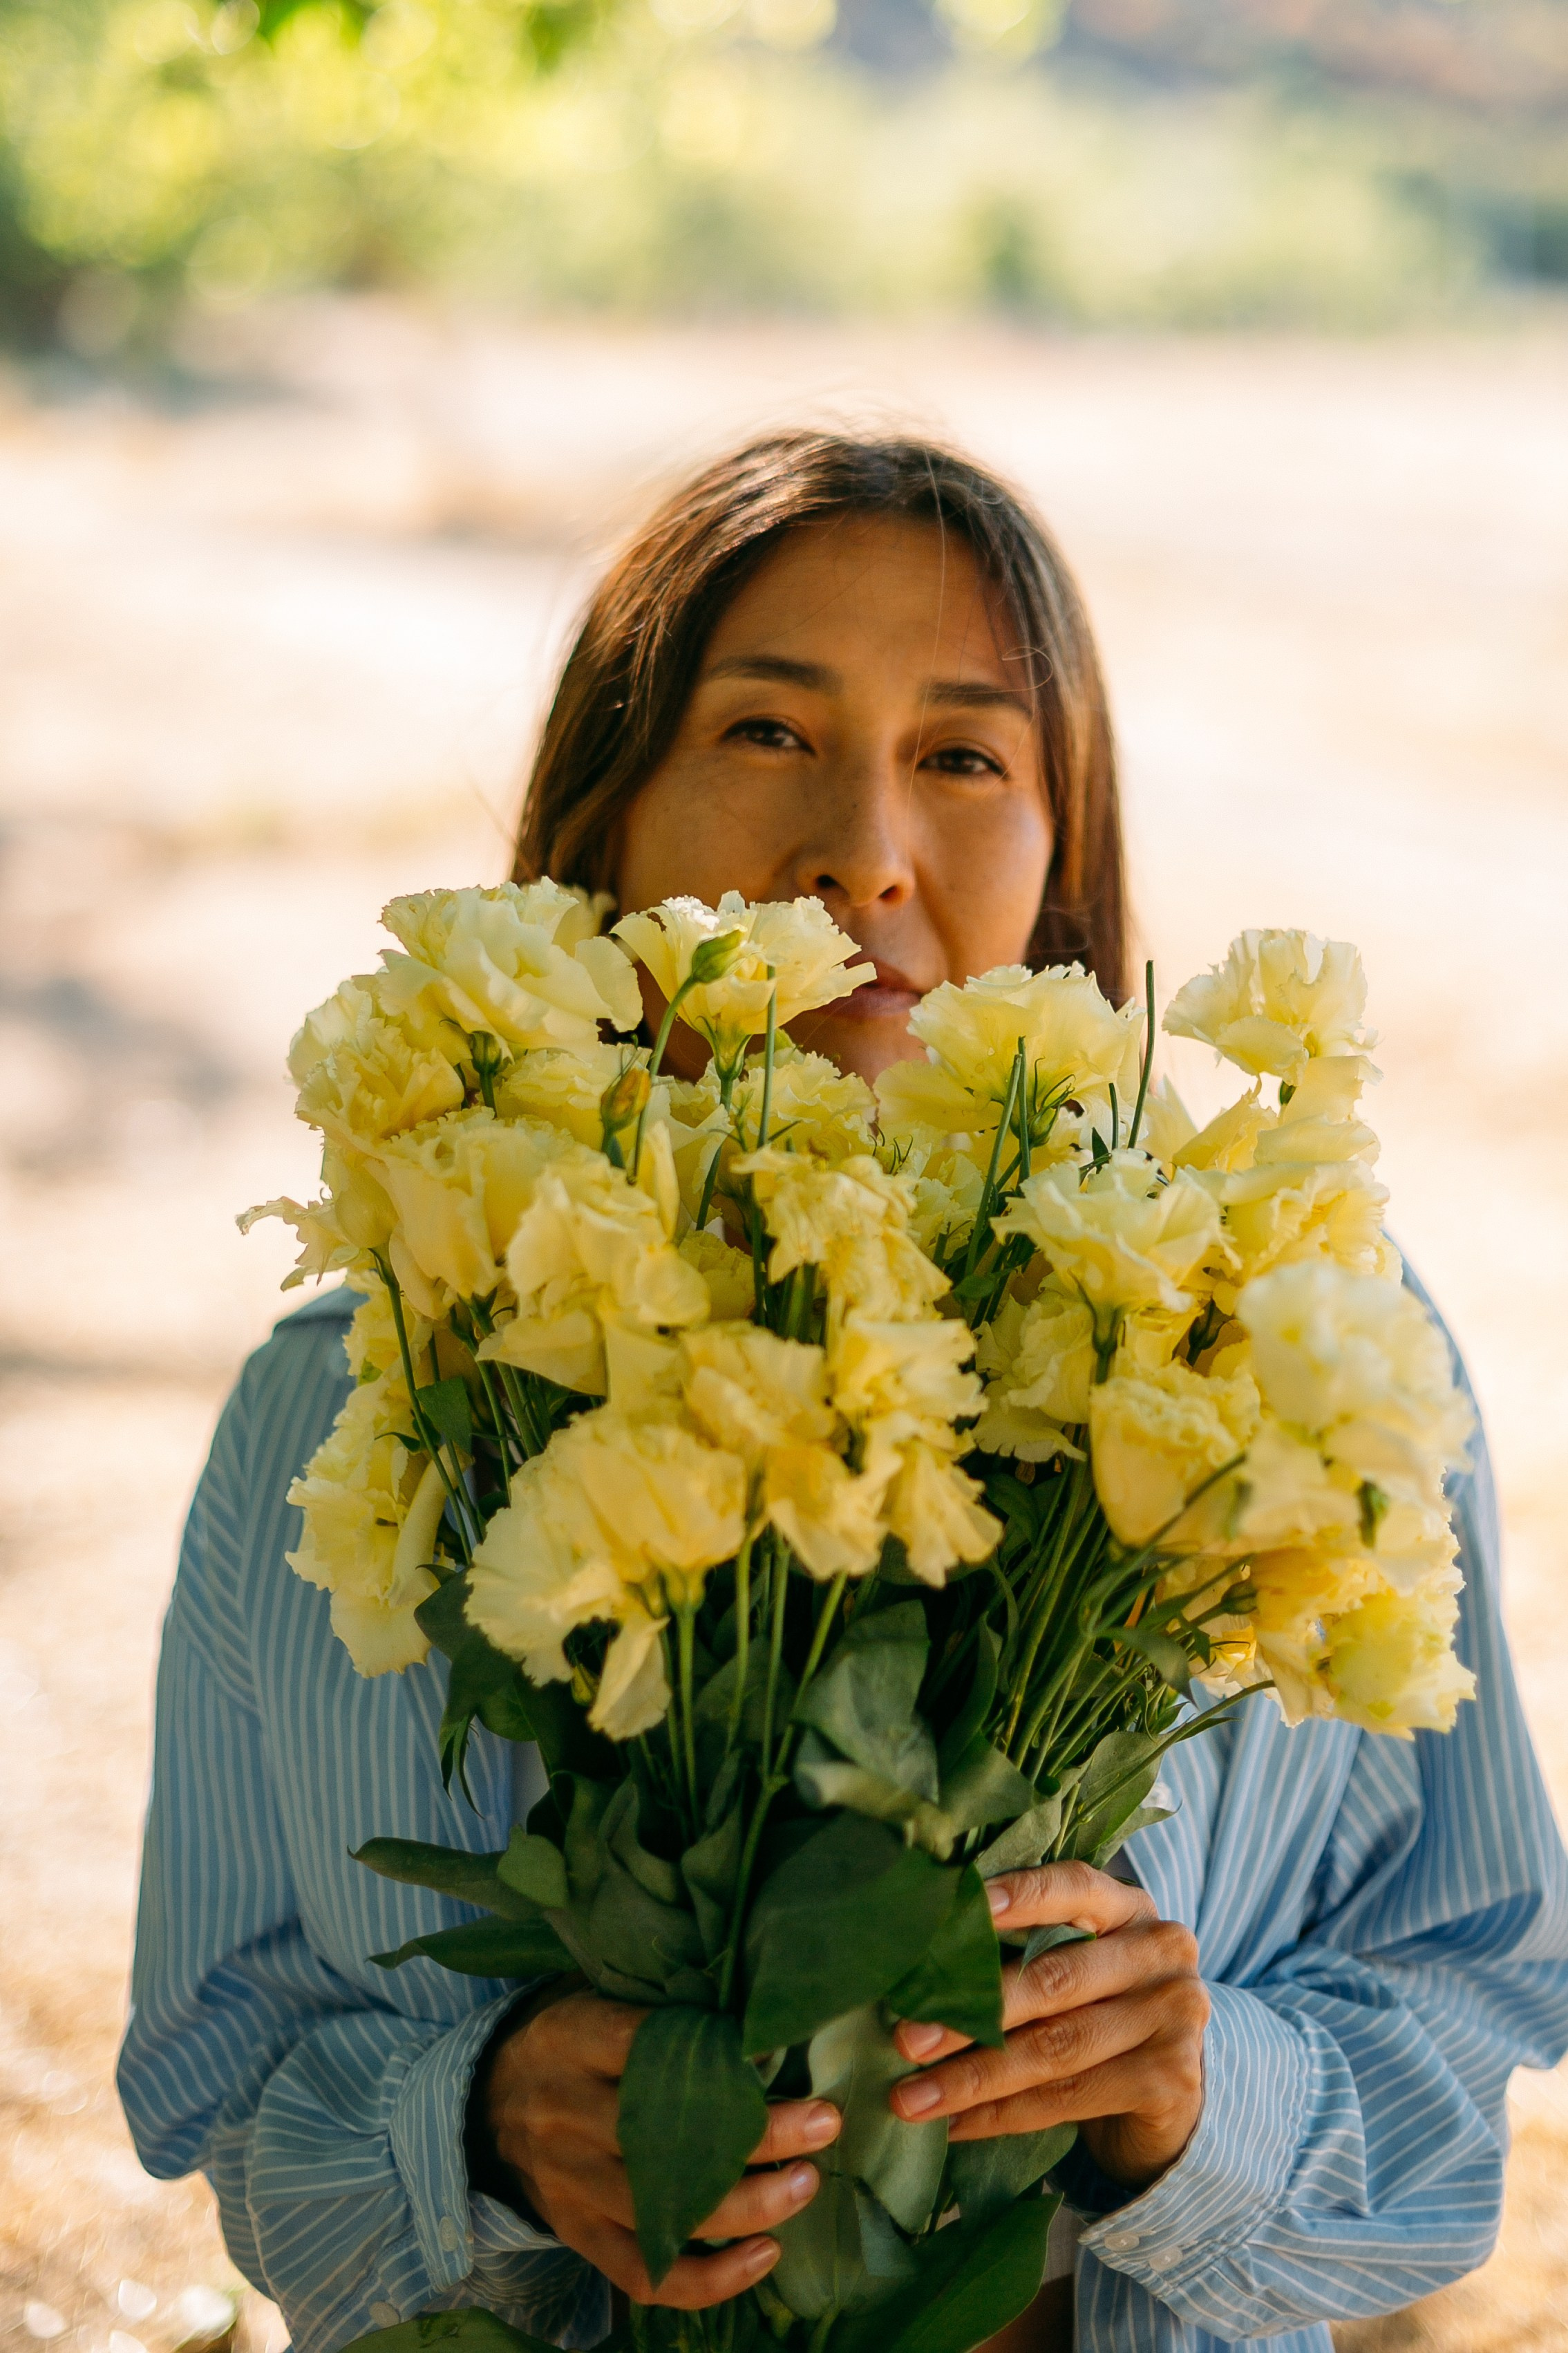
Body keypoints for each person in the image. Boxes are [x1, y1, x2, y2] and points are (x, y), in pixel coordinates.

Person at [118, 433, 1568, 2353]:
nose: (863, 854)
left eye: (964, 756)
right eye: (767, 731)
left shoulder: (1297, 1361)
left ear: (1064, 862)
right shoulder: (361, 1398)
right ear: (602, 825)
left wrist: (1198, 2102)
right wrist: (471, 2121)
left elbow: (1466, 2024)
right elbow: (216, 2074)